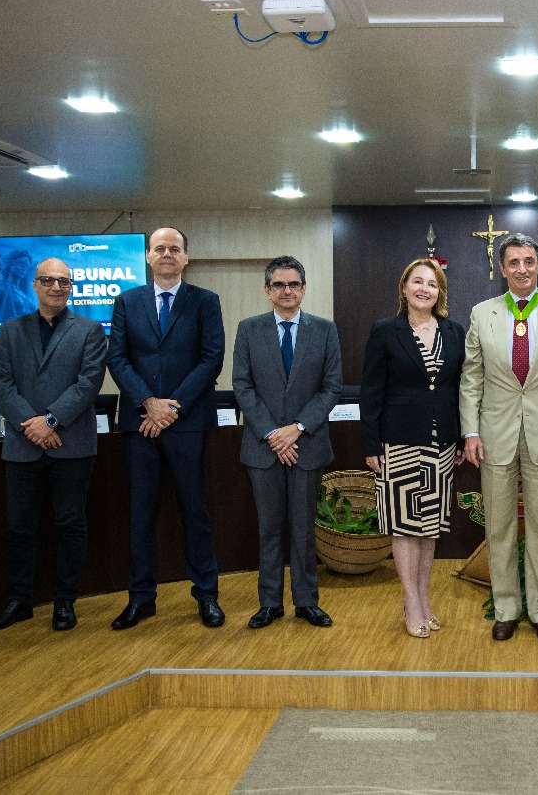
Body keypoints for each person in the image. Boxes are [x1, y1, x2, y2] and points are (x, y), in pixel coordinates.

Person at [460, 233, 538, 642]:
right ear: (502, 268)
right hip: (494, 436)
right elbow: (471, 379)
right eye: (513, 262)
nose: (522, 269)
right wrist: (471, 432)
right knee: (498, 527)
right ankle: (506, 609)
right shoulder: (482, 313)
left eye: (529, 261)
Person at [106, 227, 226, 630]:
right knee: (140, 515)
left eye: (175, 249)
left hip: (187, 422)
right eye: (160, 249)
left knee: (195, 512)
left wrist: (171, 407)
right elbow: (117, 358)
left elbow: (212, 358)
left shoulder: (206, 302)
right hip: (140, 423)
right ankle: (141, 598)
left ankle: (206, 595)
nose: (167, 254)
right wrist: (148, 403)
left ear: (186, 258)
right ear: (148, 257)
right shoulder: (126, 302)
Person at [0, 258, 107, 632]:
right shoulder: (10, 330)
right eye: (48, 280)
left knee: (71, 526)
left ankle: (64, 603)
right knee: (20, 527)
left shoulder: (89, 331)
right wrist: (32, 425)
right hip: (22, 446)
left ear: (72, 288)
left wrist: (50, 420)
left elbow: (88, 383)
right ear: (35, 285)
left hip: (71, 445)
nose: (56, 287)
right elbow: (1, 385)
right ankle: (19, 601)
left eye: (64, 282)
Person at [234, 256, 343, 629]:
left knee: (302, 529)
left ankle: (306, 602)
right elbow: (243, 387)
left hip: (307, 446)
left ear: (304, 288)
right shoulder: (248, 330)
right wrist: (272, 434)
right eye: (279, 285)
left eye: (294, 284)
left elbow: (332, 388)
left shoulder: (325, 330)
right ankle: (269, 603)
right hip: (263, 448)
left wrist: (296, 428)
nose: (287, 291)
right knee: (268, 528)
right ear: (267, 290)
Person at [360, 258, 466, 638]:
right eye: (417, 282)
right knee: (405, 527)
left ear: (440, 292)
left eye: (432, 284)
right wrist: (371, 443)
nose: (425, 289)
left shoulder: (454, 331)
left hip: (441, 443)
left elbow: (458, 389)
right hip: (398, 441)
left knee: (430, 527)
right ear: (404, 287)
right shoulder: (386, 330)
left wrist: (459, 435)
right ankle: (411, 602)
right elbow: (371, 392)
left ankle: (424, 597)